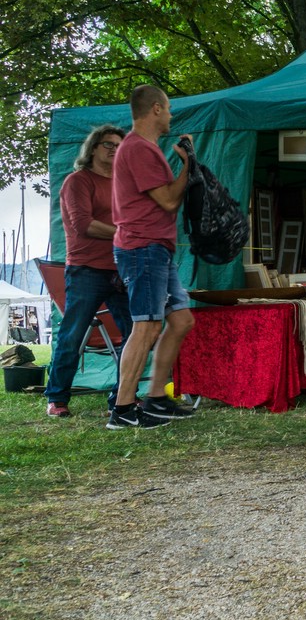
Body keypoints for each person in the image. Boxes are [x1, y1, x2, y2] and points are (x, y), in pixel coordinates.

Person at [108, 84, 198, 430]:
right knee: (146, 325)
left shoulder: (145, 149)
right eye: (170, 108)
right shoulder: (139, 149)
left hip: (157, 246)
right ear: (157, 109)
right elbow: (169, 201)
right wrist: (187, 164)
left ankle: (157, 398)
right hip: (142, 247)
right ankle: (123, 409)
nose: (172, 115)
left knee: (181, 320)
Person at [44, 126, 135, 417]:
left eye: (119, 146)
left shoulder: (125, 184)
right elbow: (84, 224)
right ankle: (57, 398)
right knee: (72, 335)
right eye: (107, 144)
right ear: (93, 148)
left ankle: (122, 398)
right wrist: (126, 233)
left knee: (136, 334)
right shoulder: (77, 181)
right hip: (86, 270)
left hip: (122, 268)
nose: (113, 149)